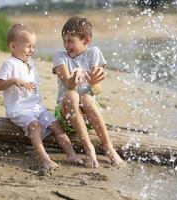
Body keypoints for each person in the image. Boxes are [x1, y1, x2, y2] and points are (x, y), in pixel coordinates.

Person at [0, 24, 81, 170]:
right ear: (13, 46)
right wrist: (14, 81)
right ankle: (45, 159)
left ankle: (71, 154)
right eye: (28, 46)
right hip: (19, 109)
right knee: (35, 126)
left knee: (56, 125)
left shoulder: (31, 64)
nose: (32, 50)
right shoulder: (9, 64)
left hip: (36, 108)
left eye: (33, 47)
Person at [52, 16, 124, 168]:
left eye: (71, 41)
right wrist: (76, 74)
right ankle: (89, 148)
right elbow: (68, 84)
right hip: (67, 115)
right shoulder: (60, 56)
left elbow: (98, 90)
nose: (66, 45)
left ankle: (108, 147)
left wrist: (93, 83)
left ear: (86, 40)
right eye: (64, 40)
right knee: (72, 95)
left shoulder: (94, 53)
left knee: (87, 98)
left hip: (88, 116)